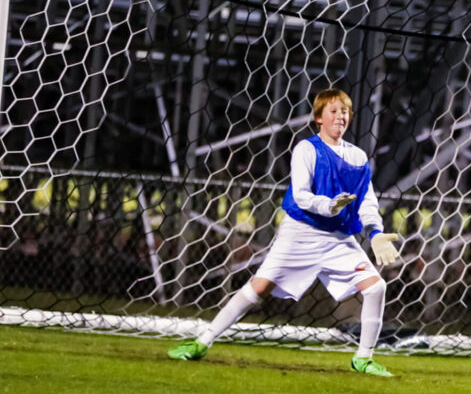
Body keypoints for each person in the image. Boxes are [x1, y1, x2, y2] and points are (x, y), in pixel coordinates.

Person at [167, 88, 401, 376]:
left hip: (338, 239)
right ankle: (201, 343)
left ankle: (363, 358)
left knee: (376, 286)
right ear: (319, 118)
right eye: (333, 111)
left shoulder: (358, 157)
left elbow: (367, 201)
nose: (340, 116)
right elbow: (301, 195)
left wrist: (375, 232)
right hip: (301, 232)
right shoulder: (307, 149)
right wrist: (328, 205)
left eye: (345, 111)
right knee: (259, 287)